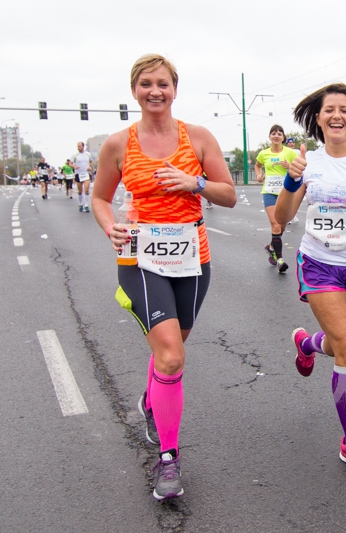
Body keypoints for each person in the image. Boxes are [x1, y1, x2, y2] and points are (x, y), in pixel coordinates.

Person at [91, 53, 236, 500]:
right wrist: (109, 226)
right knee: (171, 355)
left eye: (163, 84)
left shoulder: (198, 137)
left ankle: (153, 399)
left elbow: (228, 195)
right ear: (134, 90)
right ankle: (169, 459)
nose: (155, 91)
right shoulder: (118, 144)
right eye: (146, 84)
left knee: (172, 349)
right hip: (141, 257)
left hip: (192, 259)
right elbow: (100, 198)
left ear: (175, 89)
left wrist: (192, 183)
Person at [275, 83, 346, 476]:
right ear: (319, 118)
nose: (337, 115)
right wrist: (292, 181)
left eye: (344, 109)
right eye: (329, 110)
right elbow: (283, 217)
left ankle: (307, 344)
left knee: (344, 344)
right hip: (319, 262)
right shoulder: (307, 161)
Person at [255, 125, 297, 274]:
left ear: (283, 137)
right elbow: (258, 165)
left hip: (285, 193)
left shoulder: (290, 153)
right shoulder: (264, 153)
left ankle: (271, 247)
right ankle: (280, 260)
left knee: (282, 226)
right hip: (269, 192)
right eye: (274, 133)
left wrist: (290, 166)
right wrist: (259, 175)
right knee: (276, 225)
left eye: (280, 133)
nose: (277, 136)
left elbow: (300, 169)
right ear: (270, 137)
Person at [73, 141, 94, 212]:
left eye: (79, 146)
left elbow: (91, 162)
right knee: (80, 191)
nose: (78, 148)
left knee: (87, 189)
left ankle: (86, 205)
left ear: (83, 146)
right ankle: (80, 203)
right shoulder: (75, 155)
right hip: (78, 174)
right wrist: (74, 166)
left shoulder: (88, 154)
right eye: (77, 146)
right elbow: (70, 163)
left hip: (86, 174)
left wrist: (90, 167)